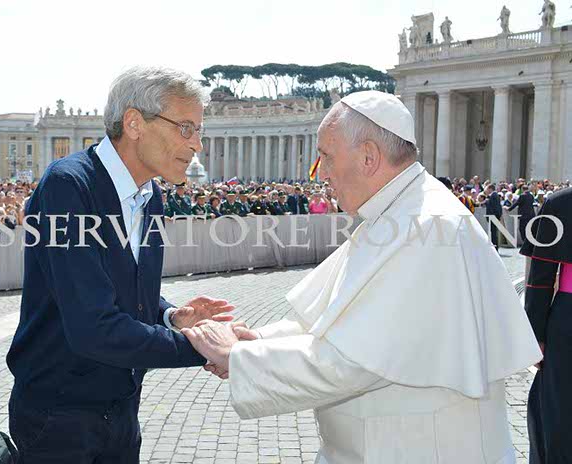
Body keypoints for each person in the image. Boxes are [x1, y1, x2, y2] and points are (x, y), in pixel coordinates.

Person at [182, 90, 541, 464]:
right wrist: (256, 340)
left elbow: (353, 361)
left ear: (368, 157)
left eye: (326, 156)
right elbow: (333, 322)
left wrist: (238, 356)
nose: (320, 173)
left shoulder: (429, 226)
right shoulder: (396, 213)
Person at [6, 67, 234, 464]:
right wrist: (207, 348)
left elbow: (120, 287)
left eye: (198, 130)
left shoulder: (151, 197)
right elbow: (93, 326)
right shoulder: (68, 186)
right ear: (134, 123)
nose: (197, 144)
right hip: (60, 416)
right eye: (186, 128)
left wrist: (170, 317)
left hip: (122, 407)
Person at [521, 187, 572, 464]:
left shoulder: (560, 202)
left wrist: (535, 335)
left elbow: (540, 279)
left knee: (560, 410)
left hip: (567, 320)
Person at [484, 184, 503, 250]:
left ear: (490, 189)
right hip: (495, 216)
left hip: (493, 216)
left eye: (487, 189)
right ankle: (495, 246)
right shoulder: (495, 195)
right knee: (493, 232)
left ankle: (495, 247)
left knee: (494, 233)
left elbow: (493, 207)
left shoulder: (493, 196)